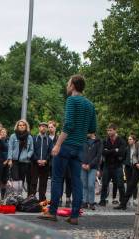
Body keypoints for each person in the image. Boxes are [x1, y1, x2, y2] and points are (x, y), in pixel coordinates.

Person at [40, 74, 97, 225]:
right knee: (76, 181)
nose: (67, 85)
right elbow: (92, 128)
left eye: (68, 83)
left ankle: (52, 213)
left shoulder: (71, 100)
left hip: (66, 145)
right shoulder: (90, 105)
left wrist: (58, 144)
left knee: (57, 178)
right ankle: (74, 216)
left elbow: (69, 124)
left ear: (72, 85)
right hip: (80, 147)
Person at [115, 127, 139, 210]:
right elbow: (134, 155)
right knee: (131, 185)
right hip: (137, 166)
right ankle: (123, 204)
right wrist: (136, 163)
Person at [99, 123, 126, 207]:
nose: (109, 132)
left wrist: (109, 151)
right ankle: (102, 201)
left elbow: (122, 153)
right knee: (104, 184)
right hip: (107, 165)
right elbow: (103, 152)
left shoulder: (121, 141)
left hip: (117, 165)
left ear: (115, 130)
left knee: (120, 184)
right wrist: (115, 150)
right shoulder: (105, 140)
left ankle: (122, 202)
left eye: (110, 130)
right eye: (108, 130)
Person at [7, 119, 33, 196]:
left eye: (23, 125)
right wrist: (10, 159)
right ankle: (15, 195)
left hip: (24, 161)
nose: (21, 126)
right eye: (20, 125)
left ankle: (19, 195)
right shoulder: (13, 136)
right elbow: (10, 148)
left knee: (21, 179)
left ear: (26, 126)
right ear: (17, 126)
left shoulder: (29, 137)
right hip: (14, 161)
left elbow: (31, 150)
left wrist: (27, 156)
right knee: (15, 179)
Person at [30, 122, 52, 201]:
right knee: (33, 182)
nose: (43, 128)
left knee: (43, 183)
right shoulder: (34, 138)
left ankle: (42, 199)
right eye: (42, 126)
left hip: (45, 164)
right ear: (39, 128)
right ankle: (32, 199)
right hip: (35, 163)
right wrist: (37, 160)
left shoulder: (49, 140)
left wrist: (45, 160)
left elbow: (50, 152)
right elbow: (32, 150)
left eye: (45, 127)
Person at [81, 131, 102, 210]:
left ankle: (91, 202)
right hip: (83, 166)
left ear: (93, 131)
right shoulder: (84, 140)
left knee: (91, 184)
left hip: (93, 167)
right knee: (84, 185)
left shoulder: (98, 141)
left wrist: (90, 165)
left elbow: (98, 155)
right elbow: (80, 152)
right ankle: (84, 202)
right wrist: (82, 163)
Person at [124, 133, 137, 204]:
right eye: (128, 139)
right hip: (128, 167)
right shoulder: (126, 148)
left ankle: (135, 198)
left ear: (134, 140)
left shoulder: (137, 148)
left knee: (134, 182)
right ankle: (128, 198)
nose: (129, 141)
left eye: (130, 139)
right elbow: (124, 157)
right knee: (128, 183)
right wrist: (125, 164)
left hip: (135, 167)